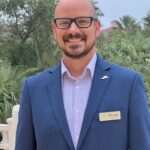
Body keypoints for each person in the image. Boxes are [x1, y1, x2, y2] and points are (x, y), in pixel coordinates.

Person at [15, 0, 150, 150]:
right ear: (54, 30)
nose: (73, 30)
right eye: (64, 22)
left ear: (96, 28)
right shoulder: (33, 89)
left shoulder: (129, 84)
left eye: (82, 21)